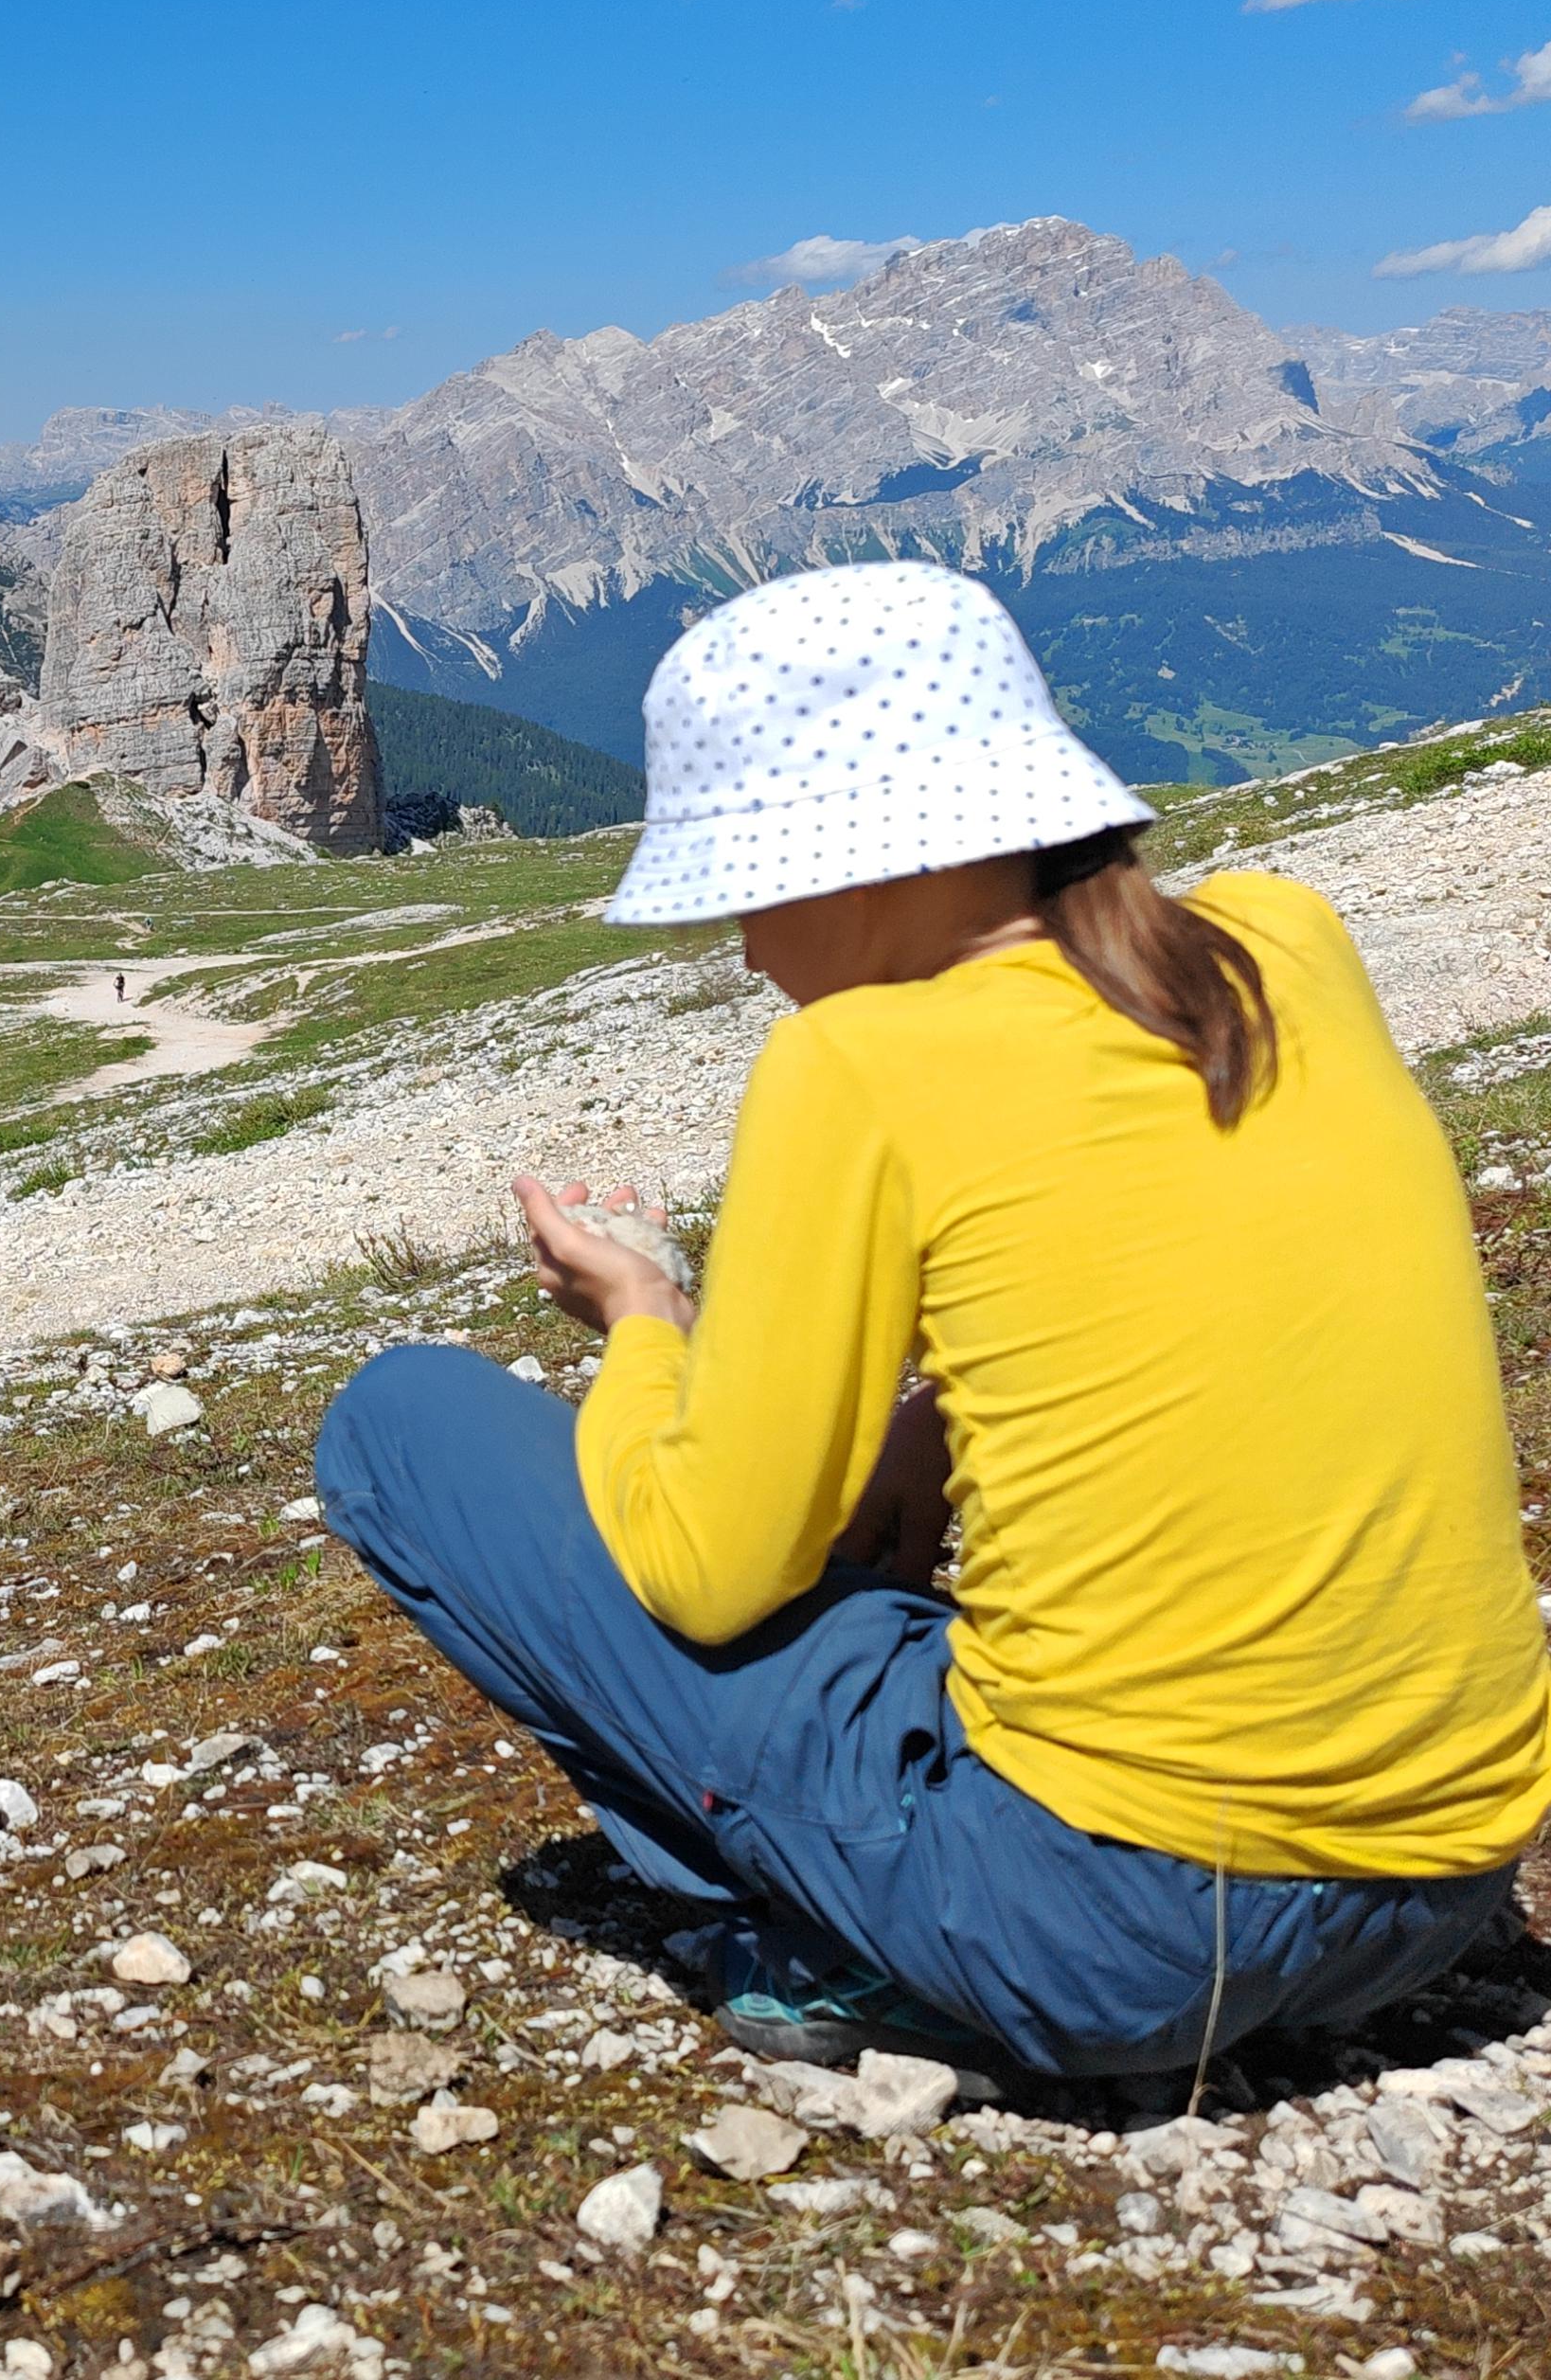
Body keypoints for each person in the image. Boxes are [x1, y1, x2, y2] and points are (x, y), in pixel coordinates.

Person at [315, 560, 1551, 2085]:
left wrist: (643, 1316)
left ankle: (825, 1950)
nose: (751, 949)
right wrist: (938, 1418)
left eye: (755, 890)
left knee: (403, 1422)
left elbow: (707, 1576)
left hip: (1114, 1935)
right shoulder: (1285, 944)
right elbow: (1189, 1254)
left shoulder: (861, 1068)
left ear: (873, 865)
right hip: (1452, 1875)